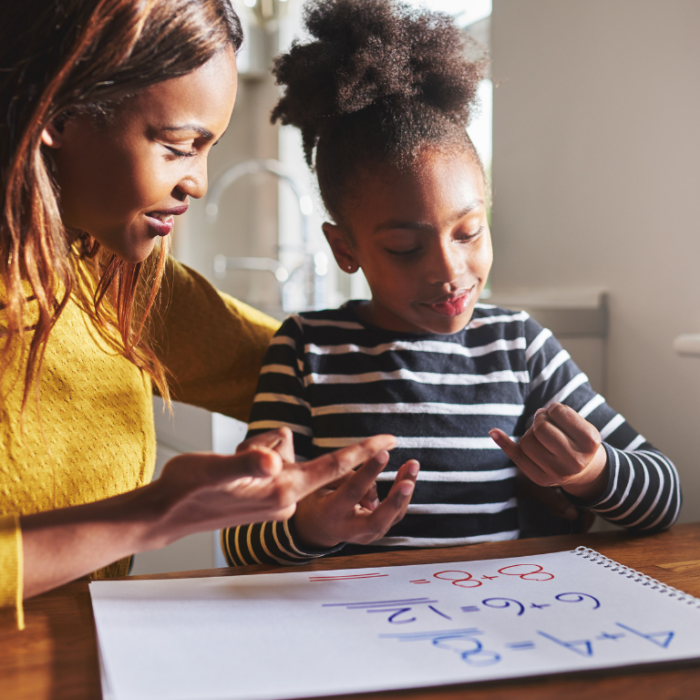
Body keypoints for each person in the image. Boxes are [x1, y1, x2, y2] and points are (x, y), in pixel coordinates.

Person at [0, 0, 413, 629]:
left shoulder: (120, 277)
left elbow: (327, 374)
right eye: (177, 147)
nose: (198, 182)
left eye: (207, 148)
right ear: (59, 111)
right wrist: (156, 512)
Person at [222, 0, 681, 566]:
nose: (447, 271)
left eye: (468, 232)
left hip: (495, 624)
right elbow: (239, 537)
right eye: (404, 248)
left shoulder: (518, 345)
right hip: (350, 629)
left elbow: (664, 496)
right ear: (345, 248)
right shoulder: (305, 348)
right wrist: (311, 527)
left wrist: (593, 473)